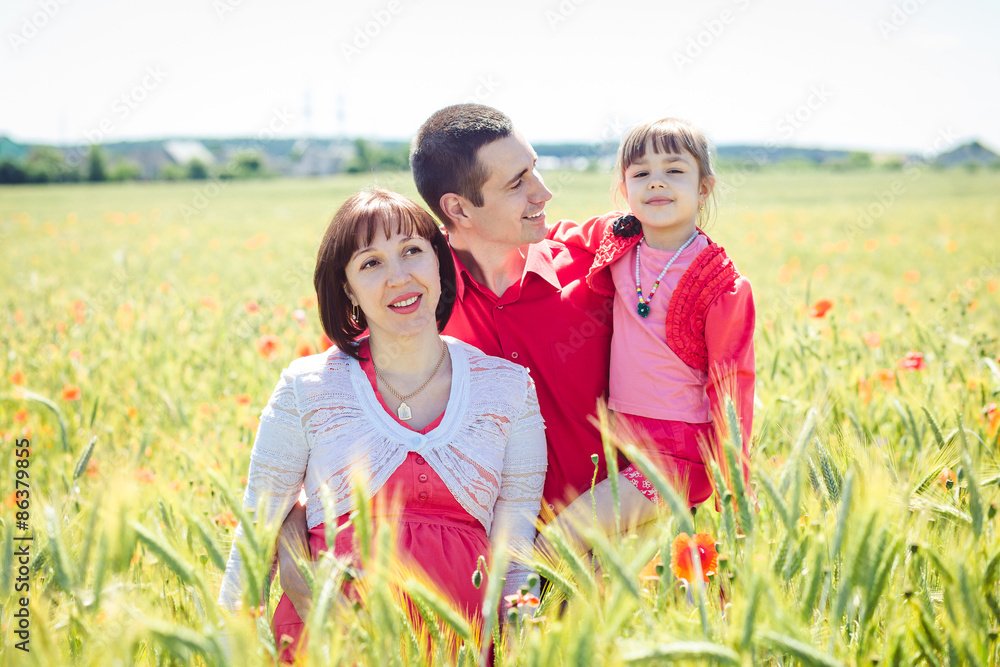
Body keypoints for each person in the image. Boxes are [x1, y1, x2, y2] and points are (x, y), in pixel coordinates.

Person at [217, 188, 547, 662]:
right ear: (348, 289)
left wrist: (522, 651)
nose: (398, 277)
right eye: (370, 264)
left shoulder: (508, 389)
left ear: (438, 262)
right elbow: (253, 542)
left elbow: (516, 560)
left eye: (412, 251)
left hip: (457, 649)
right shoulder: (308, 386)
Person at [543, 117, 755, 551]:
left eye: (674, 171)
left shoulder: (720, 284)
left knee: (559, 539)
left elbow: (733, 390)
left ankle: (510, 613)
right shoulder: (618, 240)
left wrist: (735, 488)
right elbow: (560, 236)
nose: (656, 183)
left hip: (677, 461)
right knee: (609, 574)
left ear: (703, 188)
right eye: (641, 173)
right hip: (619, 446)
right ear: (624, 190)